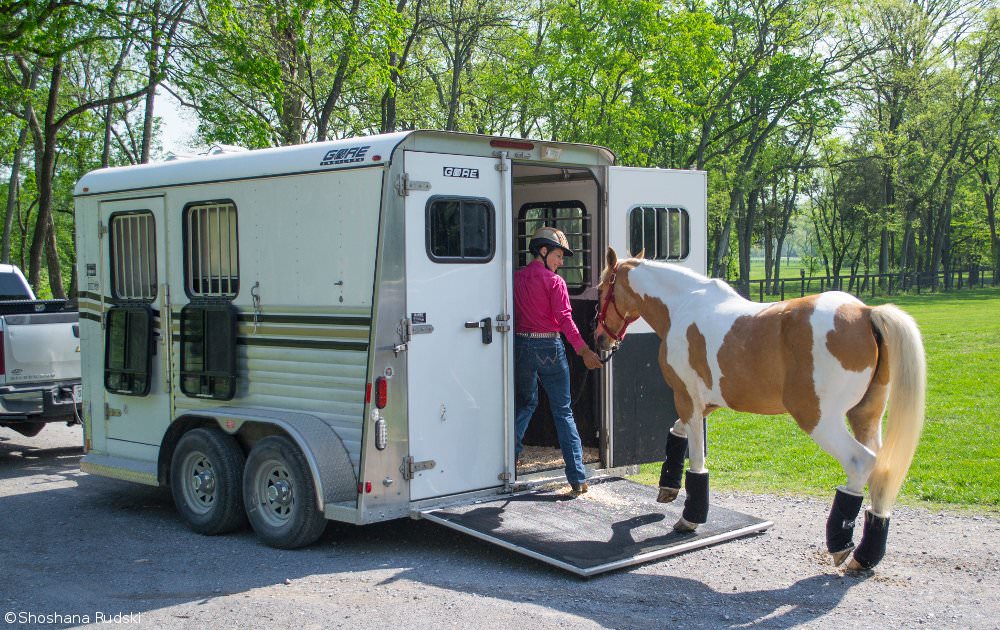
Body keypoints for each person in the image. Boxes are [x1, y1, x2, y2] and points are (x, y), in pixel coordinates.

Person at [514, 226, 603, 495]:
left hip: (520, 344)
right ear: (542, 251)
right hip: (549, 346)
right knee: (562, 411)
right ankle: (577, 476)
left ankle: (510, 458)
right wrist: (584, 351)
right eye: (558, 256)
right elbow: (565, 319)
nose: (561, 262)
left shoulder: (516, 279)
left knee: (525, 404)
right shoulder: (555, 283)